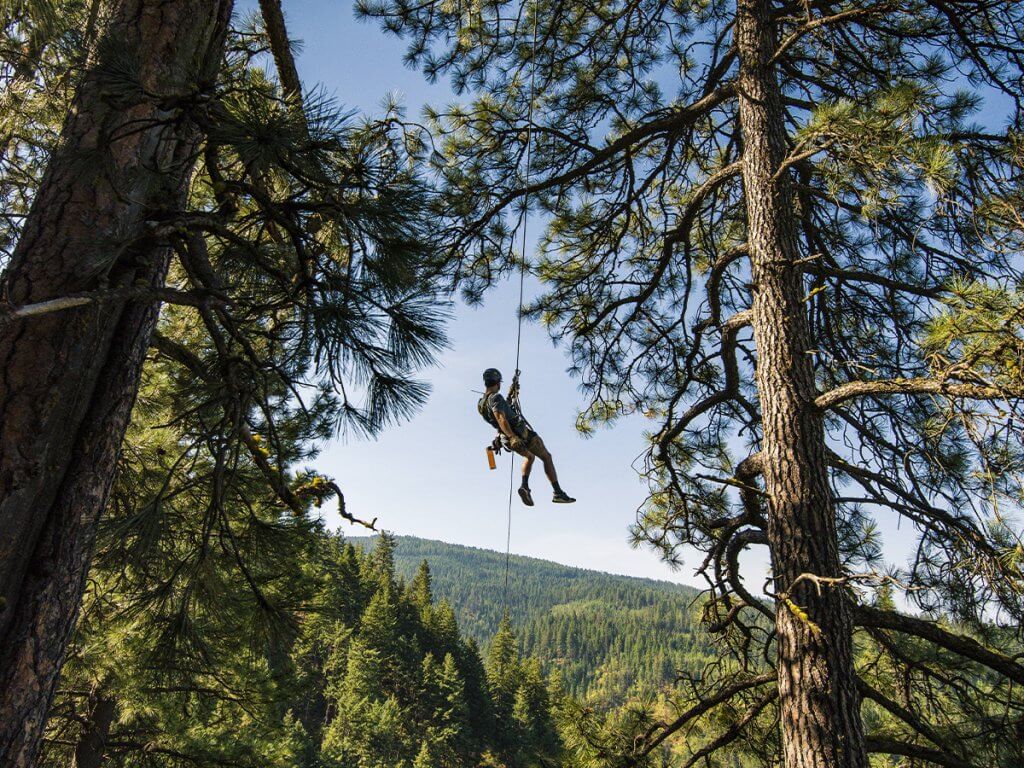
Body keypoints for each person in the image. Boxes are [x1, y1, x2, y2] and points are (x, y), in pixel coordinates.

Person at [477, 368, 575, 506]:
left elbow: (499, 414)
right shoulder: (496, 398)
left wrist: (512, 393)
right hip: (519, 434)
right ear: (498, 383)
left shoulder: (481, 403)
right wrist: (512, 436)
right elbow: (500, 417)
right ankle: (557, 492)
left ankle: (525, 486)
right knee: (546, 457)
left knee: (530, 456)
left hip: (505, 438)